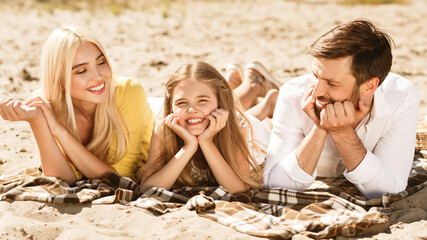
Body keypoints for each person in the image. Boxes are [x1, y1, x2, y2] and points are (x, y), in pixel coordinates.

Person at [263, 19, 420, 199]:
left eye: (331, 83)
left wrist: (342, 133)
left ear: (369, 87)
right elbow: (274, 185)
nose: (316, 92)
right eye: (315, 75)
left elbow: (389, 190)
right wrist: (320, 128)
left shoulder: (401, 98)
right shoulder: (293, 94)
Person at [0, 26, 154, 185]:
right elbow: (63, 179)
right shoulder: (45, 104)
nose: (99, 76)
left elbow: (120, 178)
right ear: (59, 81)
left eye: (101, 62)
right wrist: (37, 121)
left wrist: (59, 130)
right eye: (82, 71)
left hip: (155, 117)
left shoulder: (129, 91)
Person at [139, 61, 265, 194]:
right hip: (205, 117)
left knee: (254, 117)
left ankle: (263, 98)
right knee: (211, 111)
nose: (192, 109)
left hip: (255, 129)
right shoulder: (163, 128)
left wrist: (207, 142)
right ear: (170, 106)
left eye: (202, 100)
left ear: (220, 102)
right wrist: (189, 146)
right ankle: (239, 82)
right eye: (182, 102)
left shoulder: (239, 127)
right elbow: (147, 188)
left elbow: (239, 189)